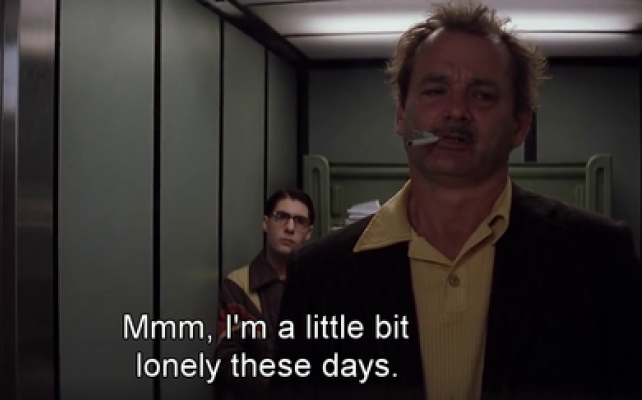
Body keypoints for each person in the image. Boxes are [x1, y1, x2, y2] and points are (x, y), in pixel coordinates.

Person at [270, 2, 642, 400]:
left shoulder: (598, 256)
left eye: (482, 95)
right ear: (401, 116)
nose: (456, 111)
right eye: (435, 91)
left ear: (519, 126)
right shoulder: (318, 275)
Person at [214, 189, 315, 400]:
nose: (290, 228)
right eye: (281, 217)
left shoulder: (320, 284)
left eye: (299, 221)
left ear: (309, 233)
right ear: (265, 223)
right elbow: (229, 361)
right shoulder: (239, 285)